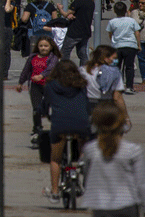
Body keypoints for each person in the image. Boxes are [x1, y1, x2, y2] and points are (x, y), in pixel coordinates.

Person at [82, 103, 145, 217]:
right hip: (127, 205)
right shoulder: (133, 150)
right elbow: (141, 183)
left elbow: (87, 177)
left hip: (101, 206)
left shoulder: (91, 150)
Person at [41, 60, 90, 204]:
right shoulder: (81, 85)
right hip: (81, 123)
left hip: (60, 125)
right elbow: (86, 105)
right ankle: (81, 161)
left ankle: (55, 192)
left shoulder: (51, 86)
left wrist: (42, 113)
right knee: (83, 142)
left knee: (55, 158)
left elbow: (44, 105)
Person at [16, 36, 61, 147]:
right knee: (36, 109)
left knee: (51, 109)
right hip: (35, 86)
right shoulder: (33, 57)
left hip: (49, 86)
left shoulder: (53, 57)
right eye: (41, 46)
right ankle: (37, 128)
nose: (43, 48)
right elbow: (26, 71)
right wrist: (20, 83)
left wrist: (41, 76)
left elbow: (51, 68)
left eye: (46, 46)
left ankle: (56, 128)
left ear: (51, 47)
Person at [80, 45, 131, 125]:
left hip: (87, 105)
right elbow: (117, 97)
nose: (115, 61)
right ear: (106, 58)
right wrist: (126, 118)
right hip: (106, 106)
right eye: (114, 58)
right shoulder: (114, 72)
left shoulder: (83, 70)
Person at [56, 0, 95, 65]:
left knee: (65, 52)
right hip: (85, 32)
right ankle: (84, 71)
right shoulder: (91, 2)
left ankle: (64, 70)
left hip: (74, 32)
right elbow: (81, 14)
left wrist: (60, 9)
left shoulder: (77, 2)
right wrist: (73, 15)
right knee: (83, 54)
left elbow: (65, 14)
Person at [107, 1, 141, 94]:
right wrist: (138, 45)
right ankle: (129, 86)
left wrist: (113, 42)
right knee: (129, 66)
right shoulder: (131, 21)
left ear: (114, 11)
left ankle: (118, 86)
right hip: (130, 46)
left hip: (117, 46)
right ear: (126, 11)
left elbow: (110, 33)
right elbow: (137, 33)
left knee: (117, 67)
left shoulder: (112, 22)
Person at [3, 0, 17, 79]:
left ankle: (4, 73)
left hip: (6, 29)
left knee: (5, 51)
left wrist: (8, 0)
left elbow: (7, 10)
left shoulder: (11, 3)